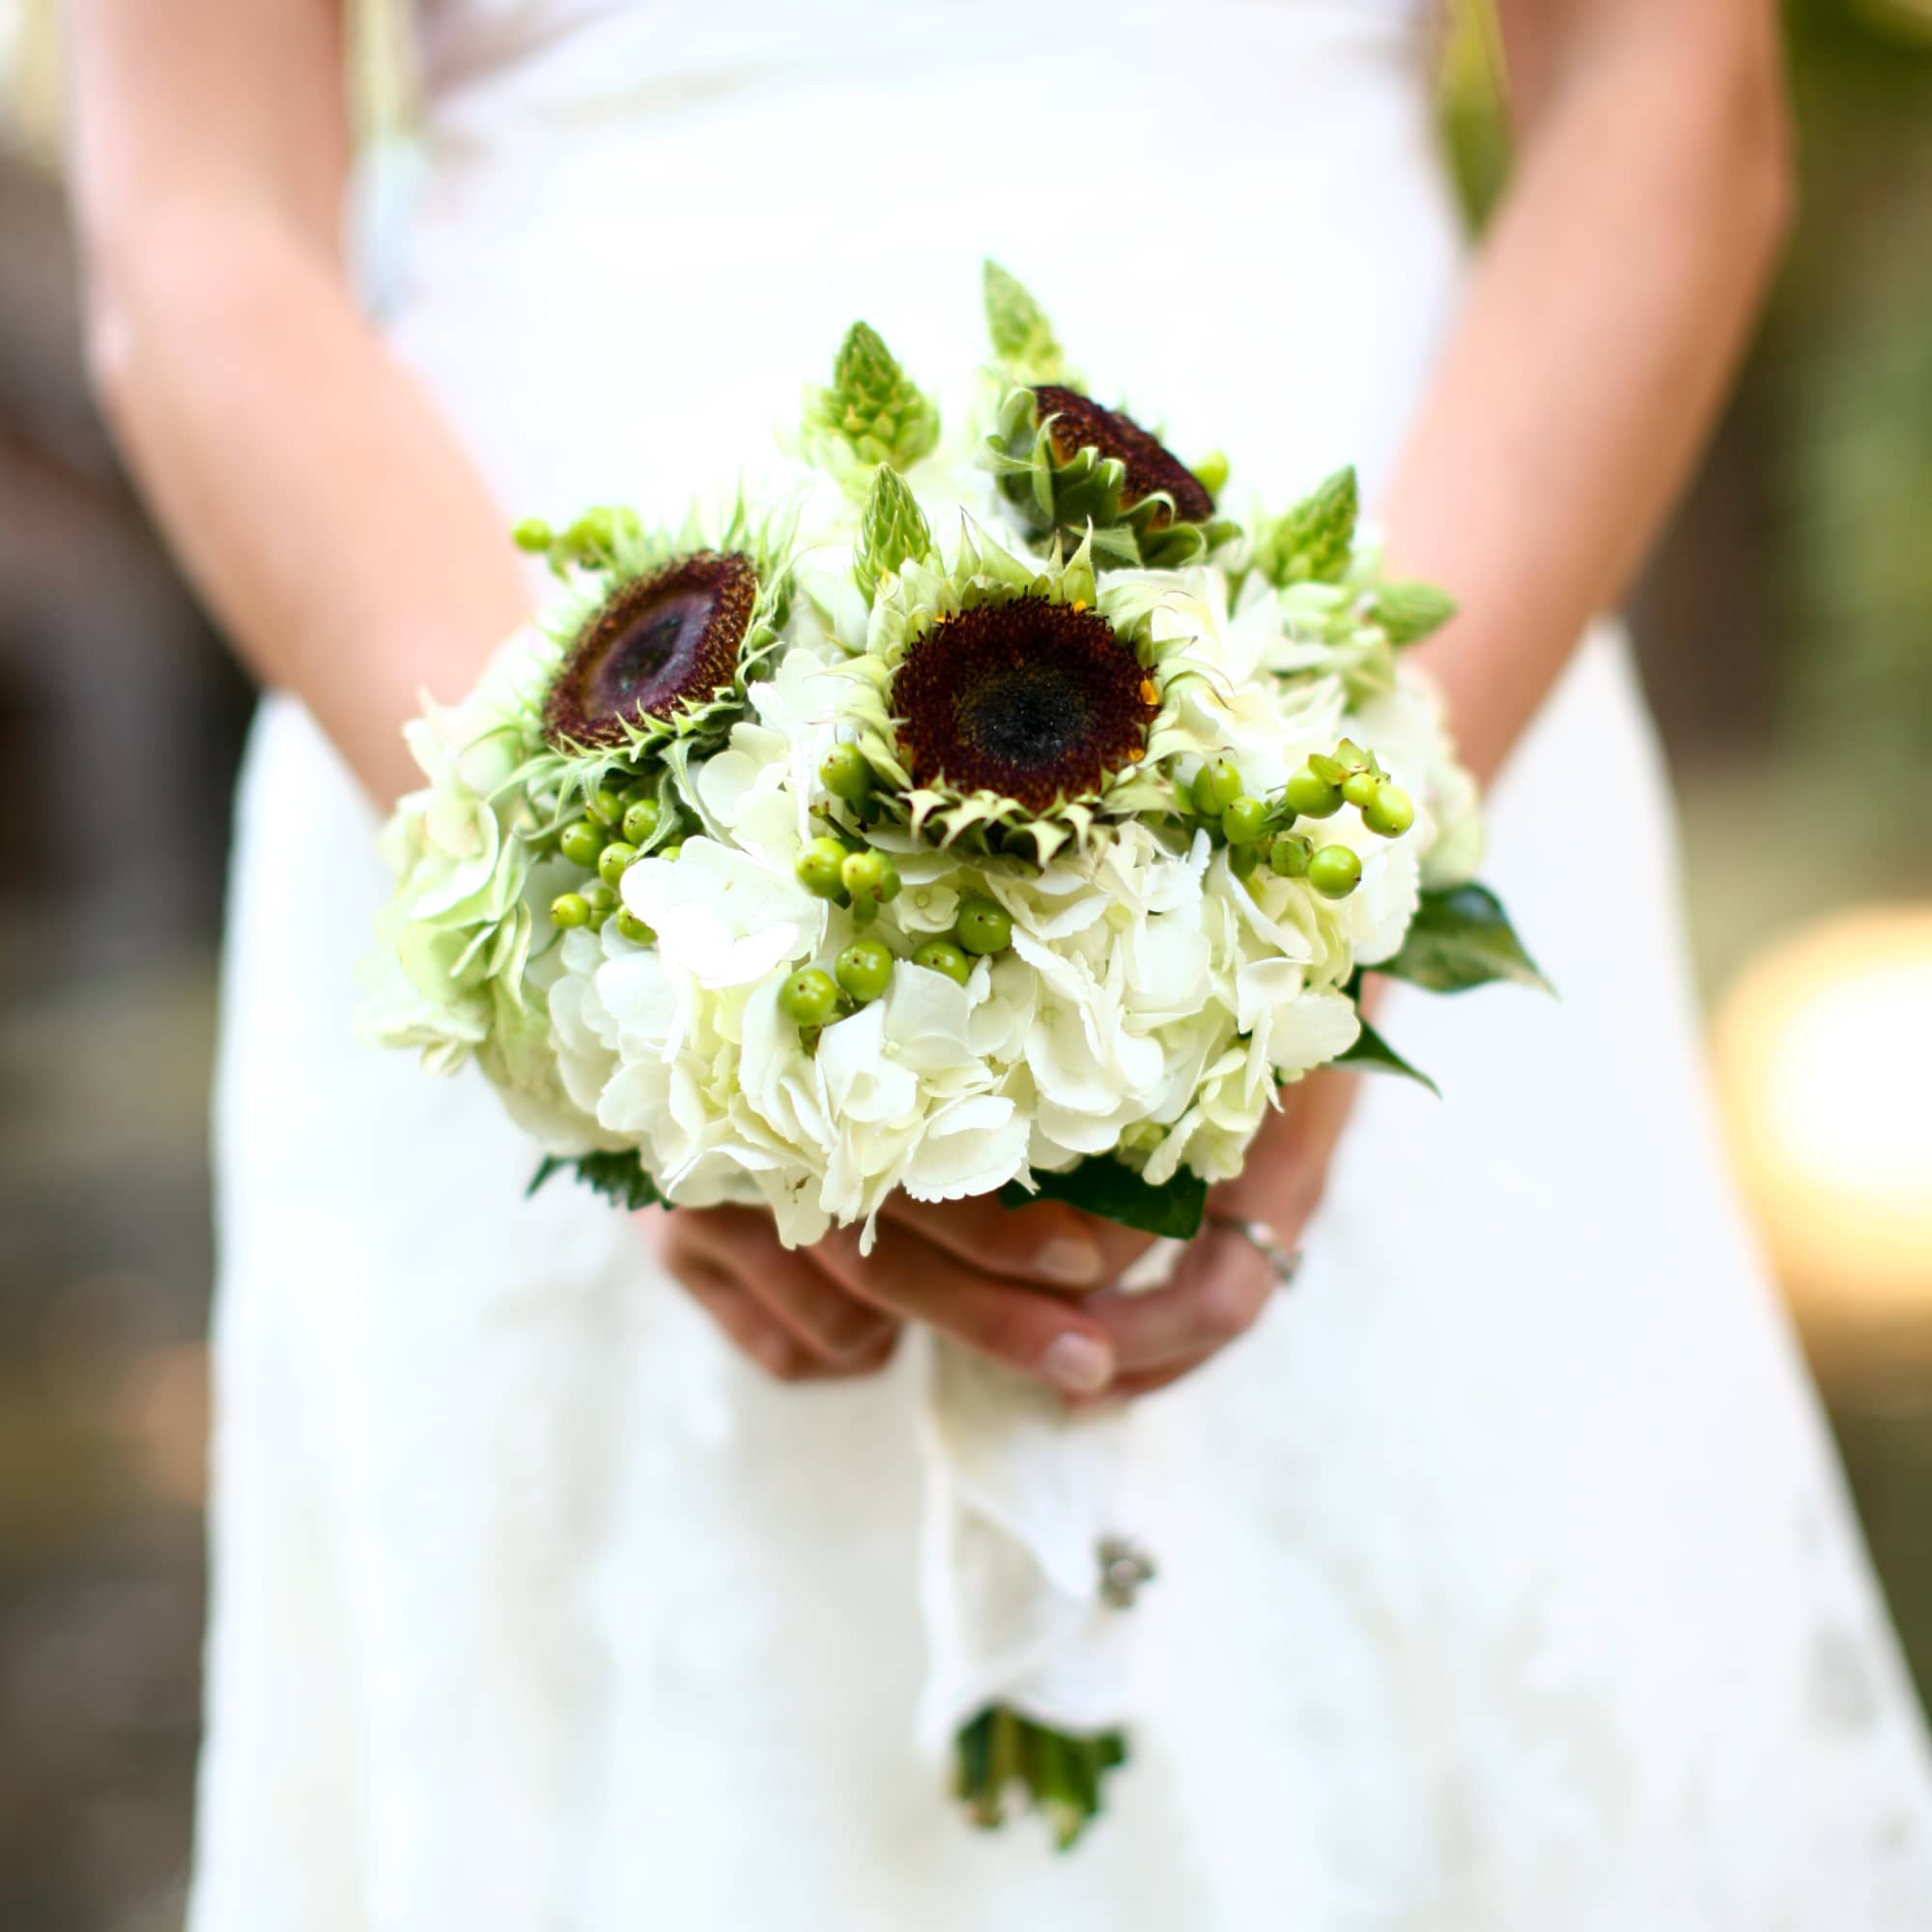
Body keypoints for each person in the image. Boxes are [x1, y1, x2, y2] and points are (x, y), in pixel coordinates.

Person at [64, 0, 1932, 1923]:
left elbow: (1664, 78)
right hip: (487, 654)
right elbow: (202, 221)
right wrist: (609, 966)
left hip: (1413, 633)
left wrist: (1344, 885)